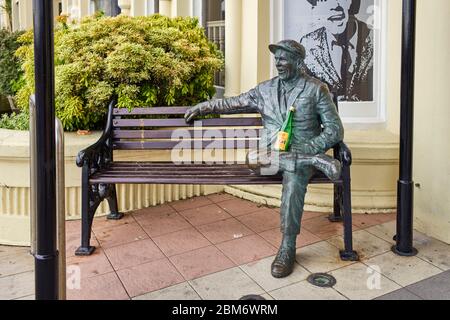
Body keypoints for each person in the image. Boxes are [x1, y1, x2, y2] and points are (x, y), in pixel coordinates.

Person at [185, 40, 344, 278]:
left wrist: (310, 146)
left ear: (299, 62)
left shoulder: (315, 89)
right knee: (252, 157)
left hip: (300, 152)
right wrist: (205, 106)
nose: (278, 63)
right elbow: (232, 103)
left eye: (283, 59)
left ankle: (287, 247)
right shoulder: (265, 90)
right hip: (270, 155)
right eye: (276, 59)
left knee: (294, 177)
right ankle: (312, 160)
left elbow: (334, 130)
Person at [300, 0, 373, 101]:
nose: (336, 6)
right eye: (325, 0)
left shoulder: (376, 41)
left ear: (351, 3)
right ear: (315, 9)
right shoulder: (308, 44)